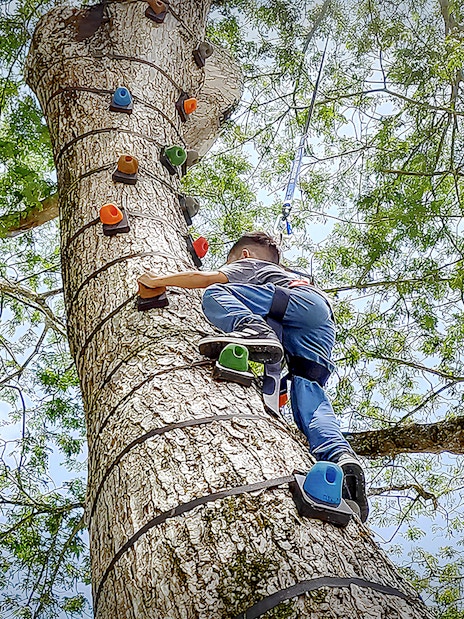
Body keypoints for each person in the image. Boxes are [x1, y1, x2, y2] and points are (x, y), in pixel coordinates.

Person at [137, 231, 369, 521]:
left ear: (244, 256)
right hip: (318, 325)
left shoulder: (251, 265)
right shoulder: (287, 278)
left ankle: (252, 329)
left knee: (216, 294)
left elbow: (207, 280)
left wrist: (157, 281)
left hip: (295, 303)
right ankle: (341, 460)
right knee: (308, 392)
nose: (229, 269)